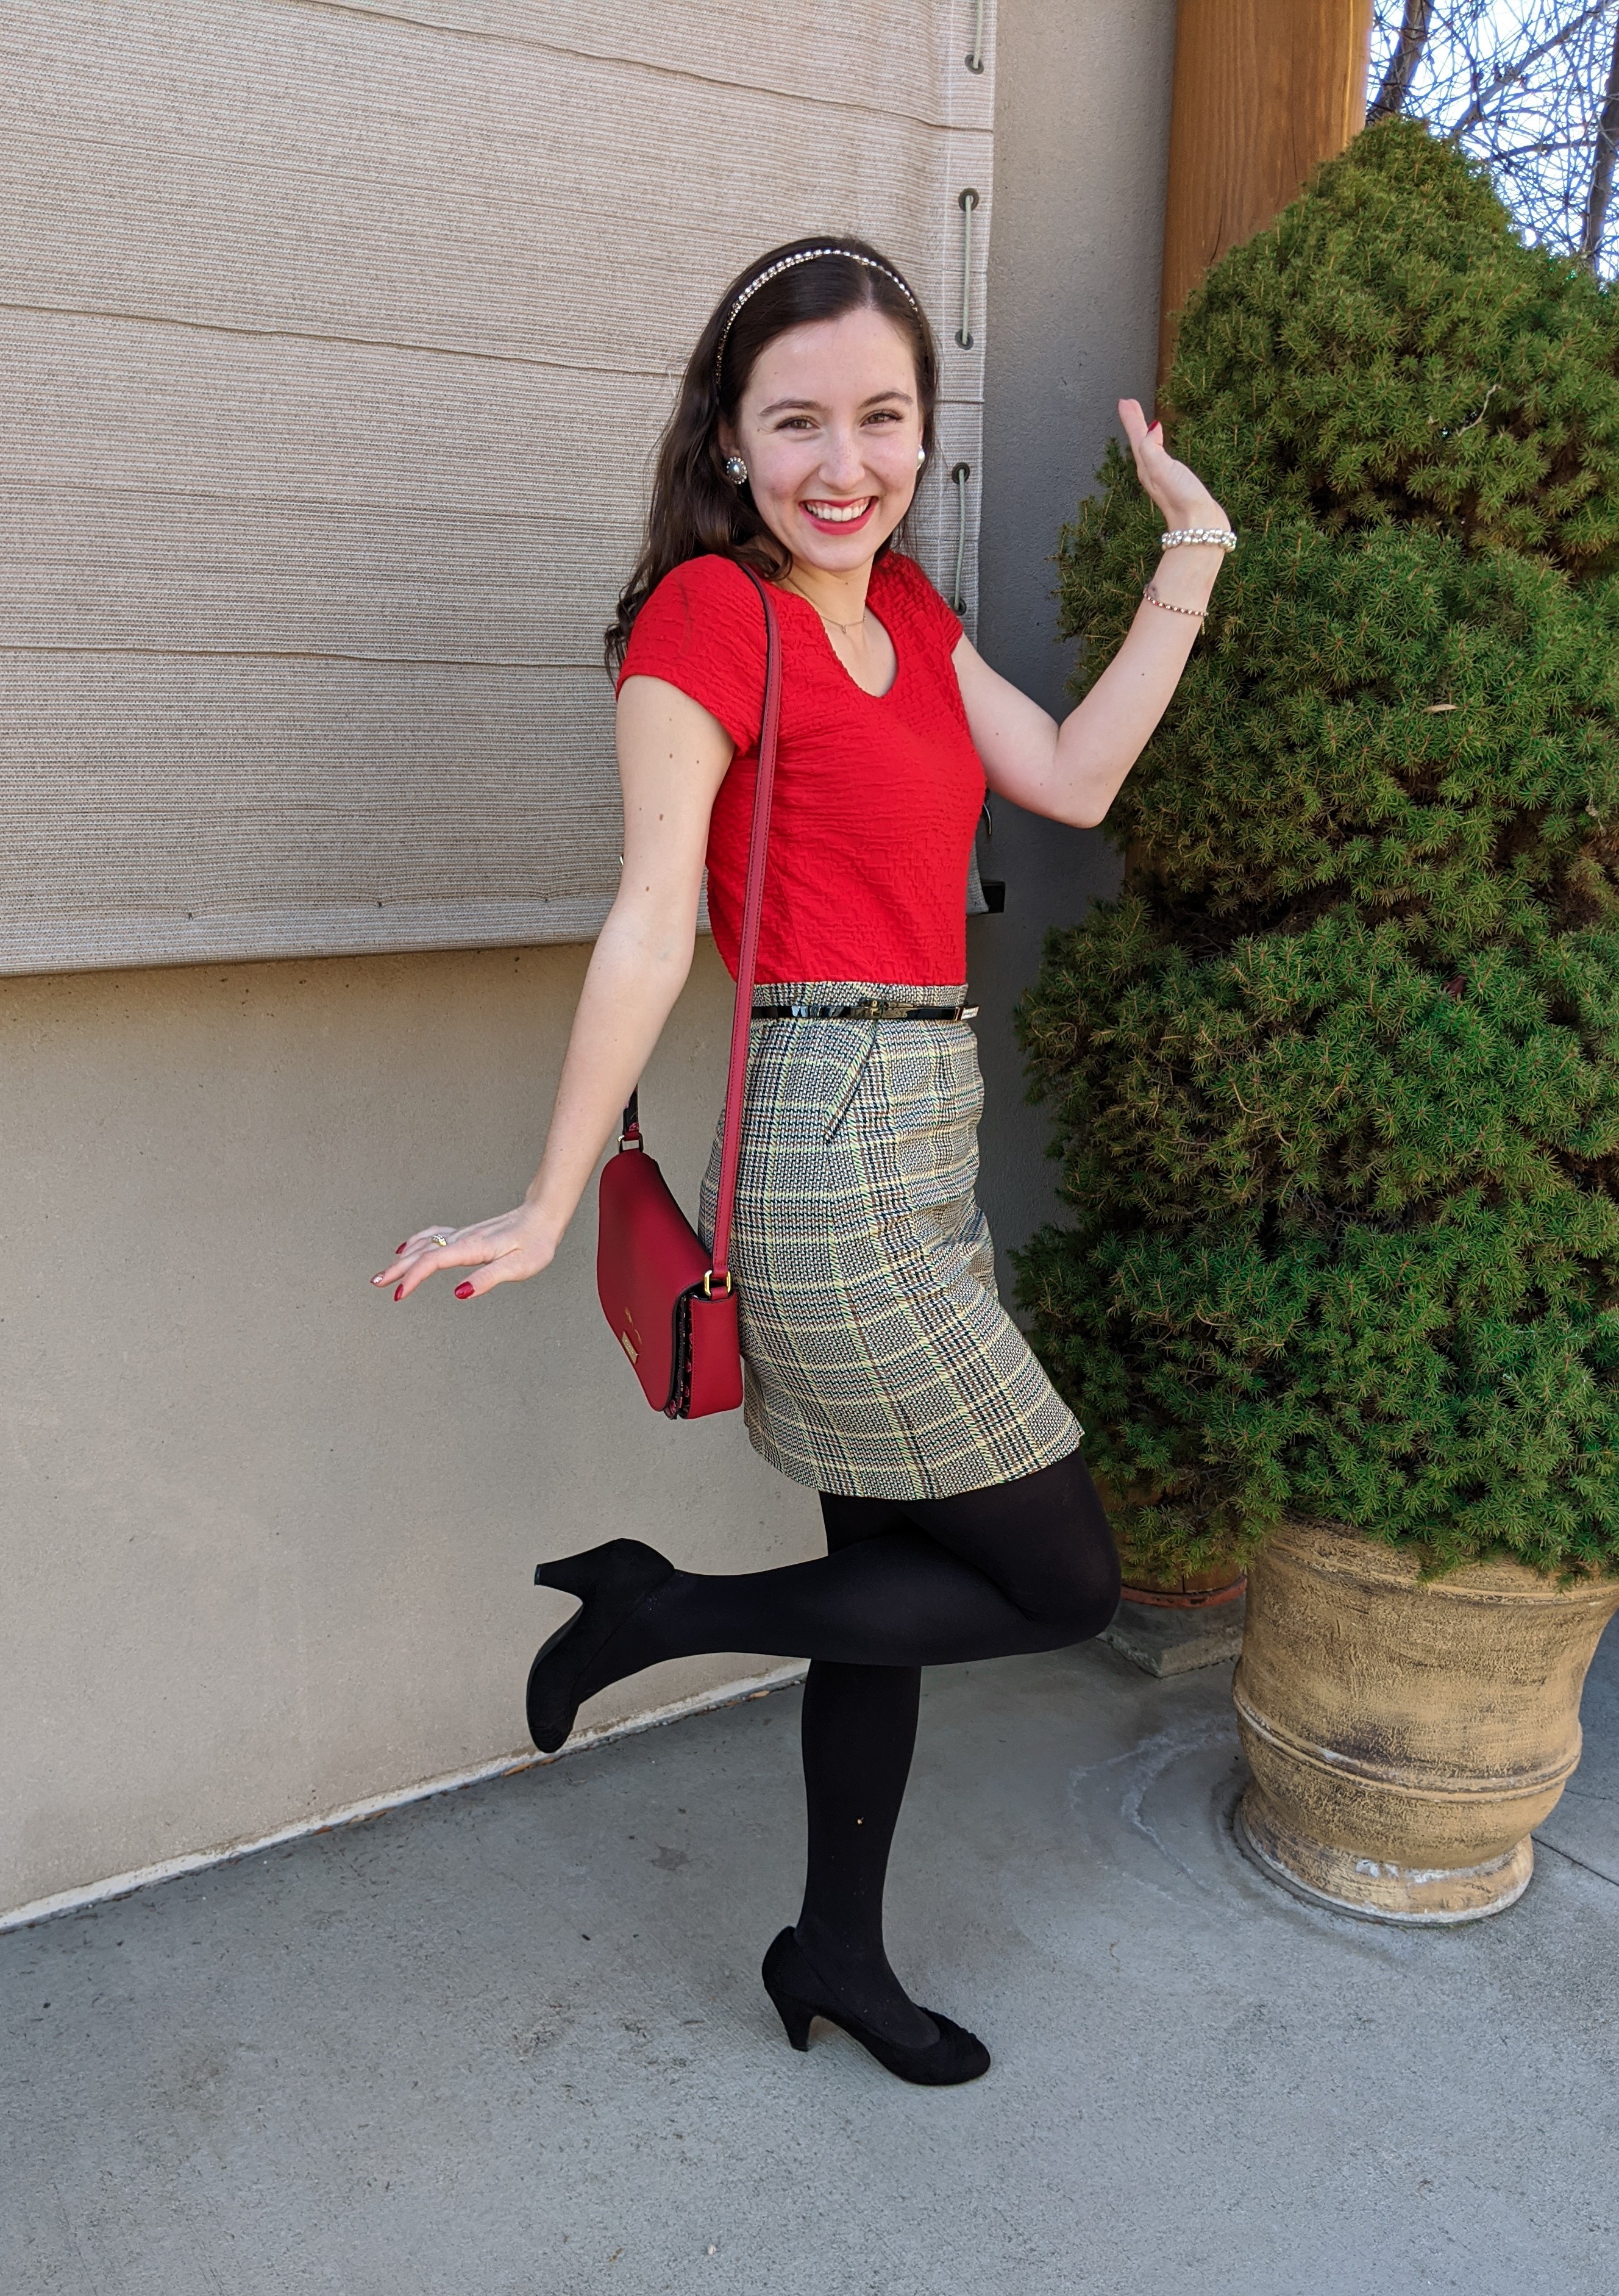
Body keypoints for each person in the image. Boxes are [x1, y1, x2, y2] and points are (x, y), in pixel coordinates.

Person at [374, 236, 1231, 2086]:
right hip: (829, 1138)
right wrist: (543, 1199)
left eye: (882, 417)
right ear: (729, 438)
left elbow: (1071, 778)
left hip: (927, 1117)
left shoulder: (905, 614)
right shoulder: (707, 617)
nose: (843, 463)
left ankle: (831, 1948)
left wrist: (1192, 553)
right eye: (796, 424)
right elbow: (648, 922)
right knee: (1060, 1582)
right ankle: (657, 1610)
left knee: (889, 1584)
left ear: (922, 428)